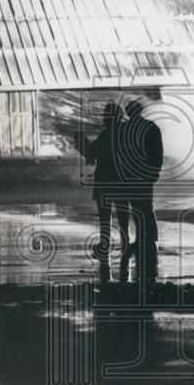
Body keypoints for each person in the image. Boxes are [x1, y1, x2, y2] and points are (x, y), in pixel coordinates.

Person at [77, 103, 131, 284]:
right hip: (123, 183)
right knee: (124, 219)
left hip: (105, 183)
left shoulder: (106, 135)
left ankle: (105, 247)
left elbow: (93, 153)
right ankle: (126, 249)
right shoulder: (126, 133)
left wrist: (82, 143)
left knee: (105, 219)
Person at [118, 100, 163, 283]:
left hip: (130, 175)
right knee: (144, 206)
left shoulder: (125, 130)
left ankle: (144, 239)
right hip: (144, 175)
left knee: (137, 207)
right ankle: (149, 239)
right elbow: (157, 152)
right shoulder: (151, 127)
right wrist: (154, 171)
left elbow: (120, 153)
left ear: (129, 113)